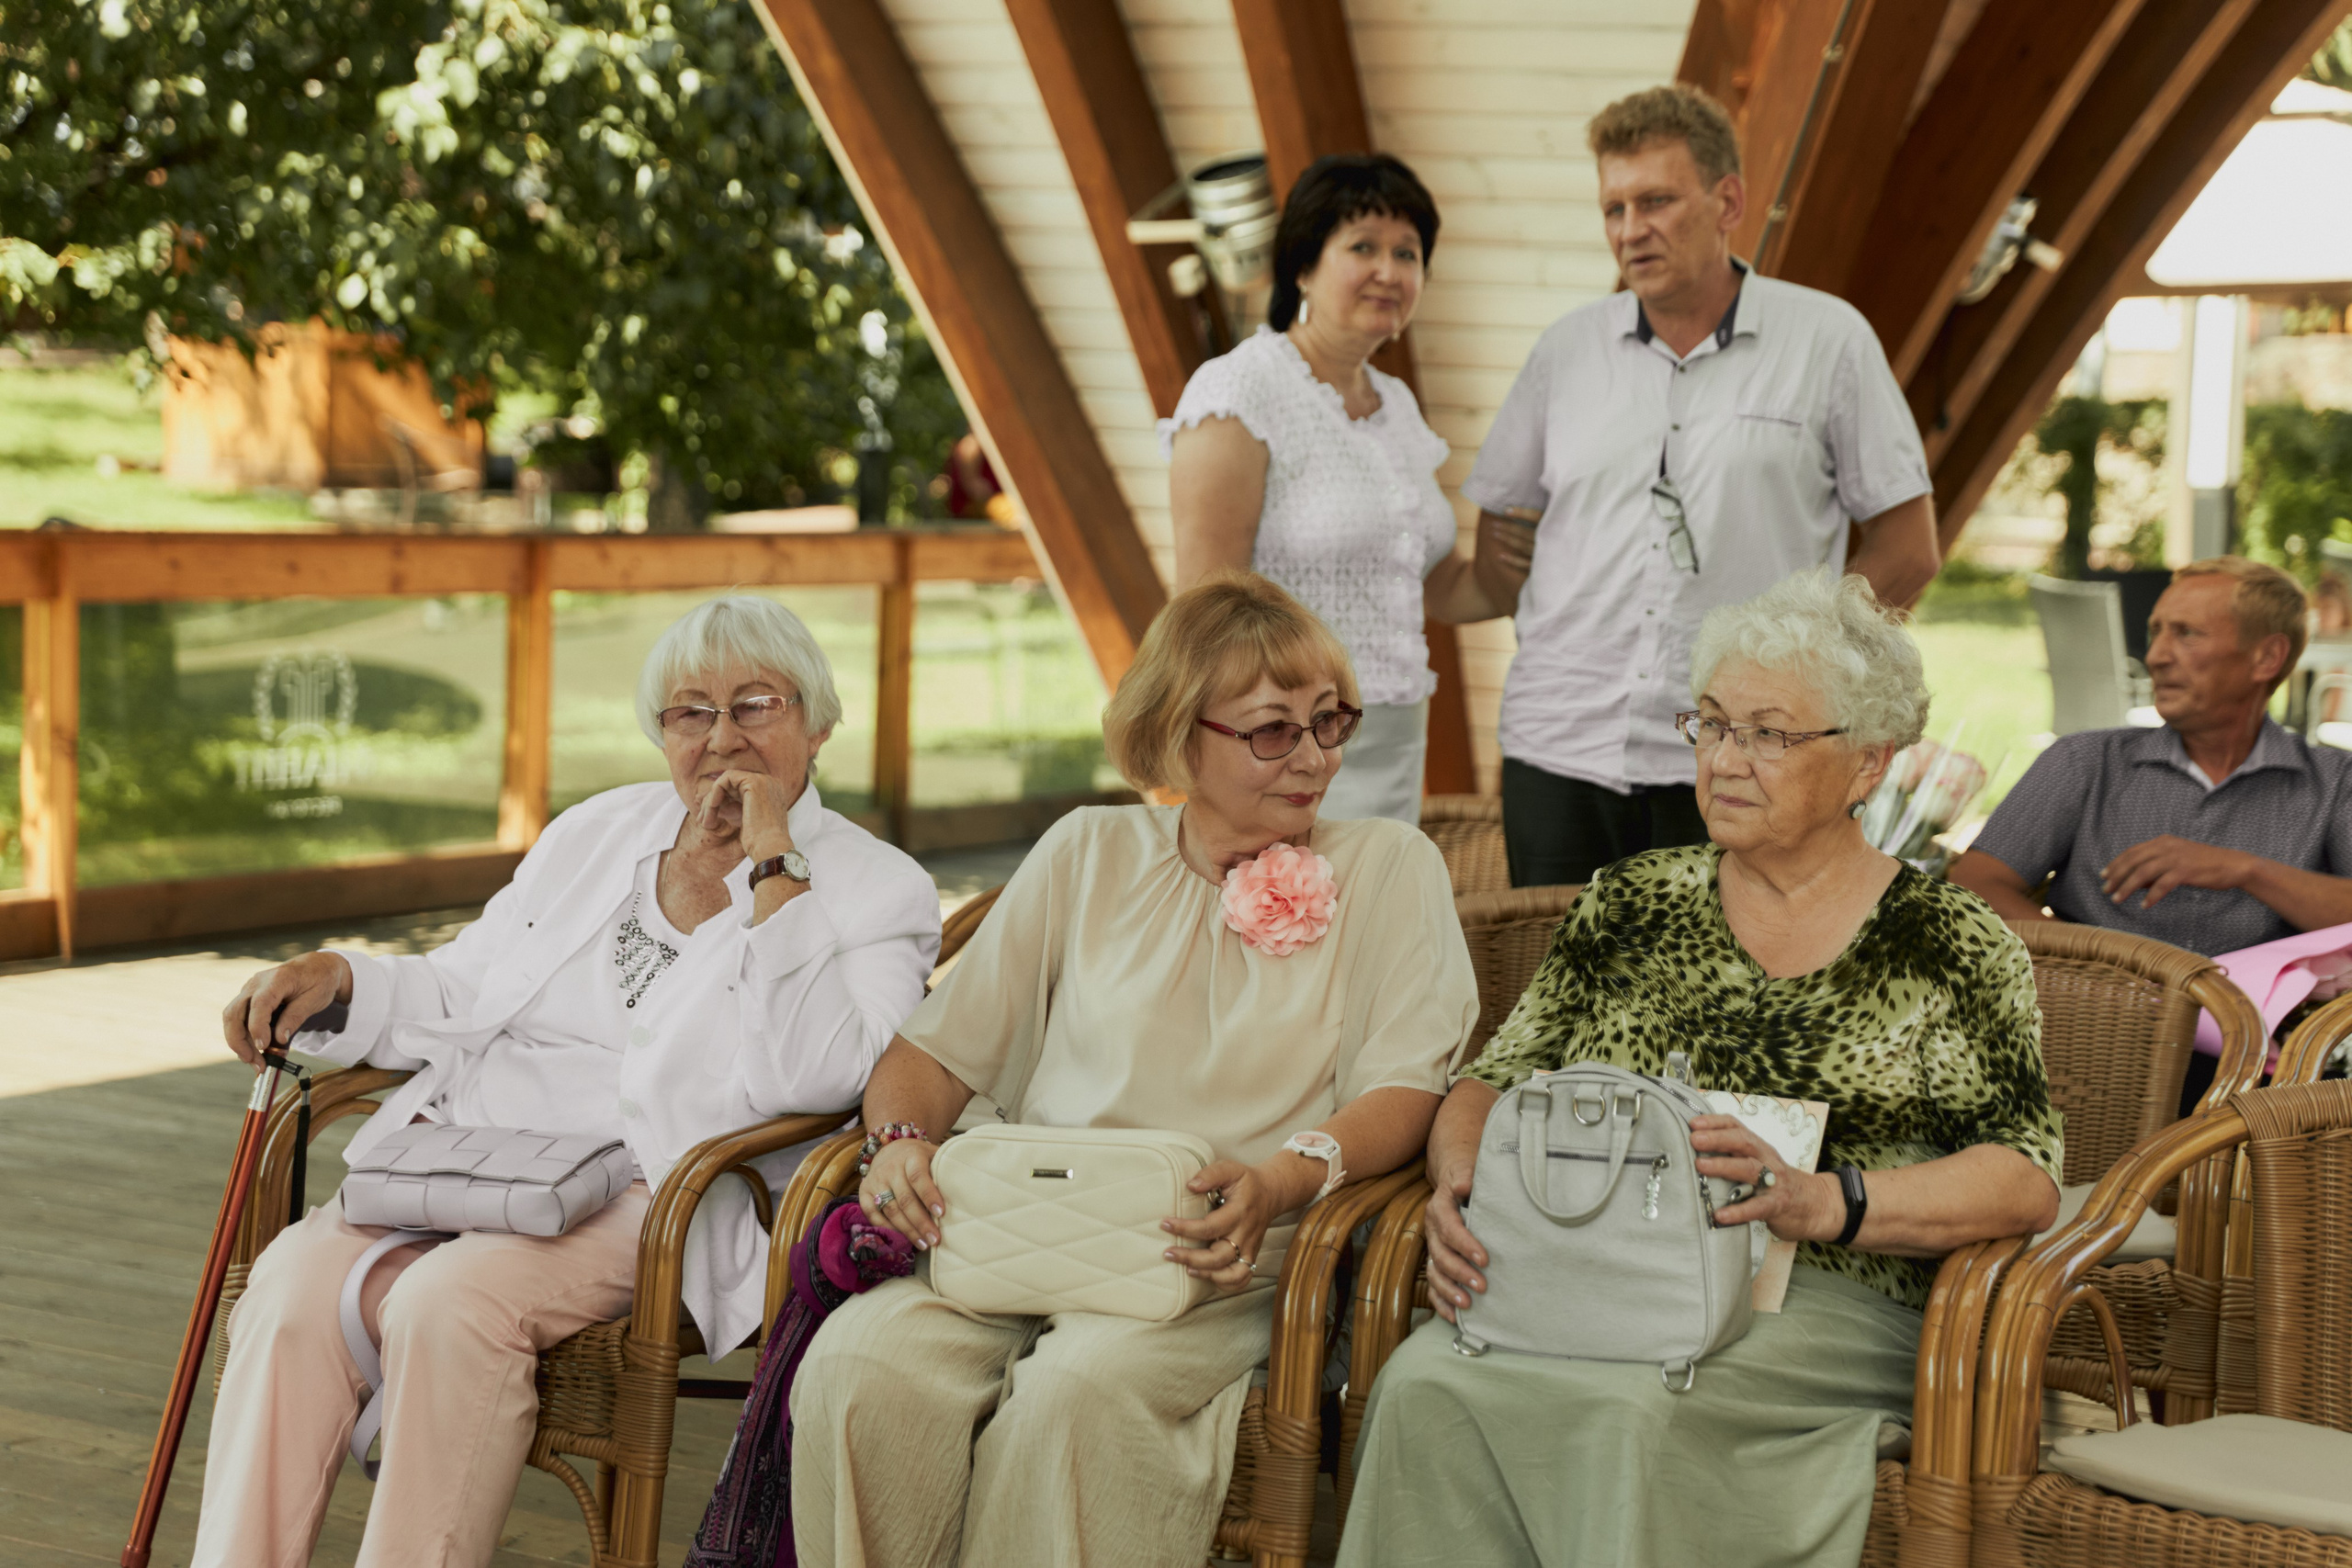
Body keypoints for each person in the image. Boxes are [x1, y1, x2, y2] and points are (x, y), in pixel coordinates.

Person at [191, 595, 941, 1568]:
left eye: (756, 704)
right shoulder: (597, 832)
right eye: (689, 713)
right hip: (475, 1159)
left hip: (659, 1190)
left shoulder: (881, 888)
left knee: (447, 1302)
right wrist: (345, 980)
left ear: (819, 722)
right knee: (290, 1281)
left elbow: (820, 1074)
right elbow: (468, 981)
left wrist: (774, 868)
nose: (722, 738)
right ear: (660, 733)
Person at [1339, 571, 2061, 1568]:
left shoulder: (1949, 941)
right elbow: (1493, 1079)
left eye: (1769, 734)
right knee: (1425, 1383)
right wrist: (1463, 1188)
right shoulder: (1633, 900)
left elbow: (2023, 1175)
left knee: (1626, 1406)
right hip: (1594, 1262)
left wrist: (1825, 1200)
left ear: (1867, 765)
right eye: (1712, 724)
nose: (1725, 759)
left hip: (1828, 1293)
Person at [787, 571, 1477, 1567]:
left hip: (1218, 1259)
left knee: (1075, 1398)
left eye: (1331, 723)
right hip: (1020, 1230)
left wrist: (1280, 1181)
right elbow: (932, 1053)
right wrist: (896, 1146)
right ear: (1176, 734)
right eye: (1273, 731)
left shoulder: (1387, 865)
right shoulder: (1088, 850)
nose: (1316, 758)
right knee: (855, 1368)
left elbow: (1409, 1087)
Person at [1461, 84, 1940, 888]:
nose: (1630, 229)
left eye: (1656, 201)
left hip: (1742, 759)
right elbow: (1502, 522)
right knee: (1562, 999)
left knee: (1722, 1006)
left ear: (1728, 201)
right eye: (1613, 207)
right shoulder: (1565, 351)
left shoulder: (1827, 340)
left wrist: (1798, 668)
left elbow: (1908, 547)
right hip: (1558, 745)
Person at [1166, 152, 1529, 826]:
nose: (1390, 271)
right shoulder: (1242, 388)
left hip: (1394, 740)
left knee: (1373, 926)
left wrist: (1526, 543)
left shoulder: (1397, 406)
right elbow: (1204, 608)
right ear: (1303, 265)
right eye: (1363, 247)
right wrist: (1263, 747)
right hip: (1279, 748)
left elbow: (1442, 587)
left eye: (1408, 253)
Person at [1955, 557, 2352, 955]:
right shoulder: (2084, 761)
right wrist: (2091, 962)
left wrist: (2248, 871)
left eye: (2187, 634)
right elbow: (1972, 885)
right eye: (2156, 632)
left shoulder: (2335, 783)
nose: (2157, 657)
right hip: (2088, 1012)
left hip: (2267, 1017)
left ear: (2267, 658)